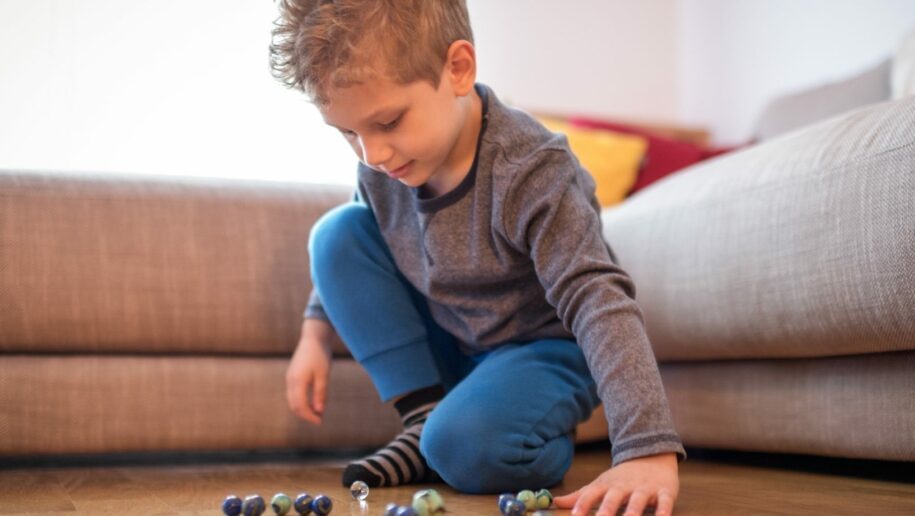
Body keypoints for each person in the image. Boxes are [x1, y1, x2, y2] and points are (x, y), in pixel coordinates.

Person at [270, 1, 685, 514]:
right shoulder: (384, 167)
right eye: (349, 133)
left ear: (458, 69)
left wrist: (647, 447)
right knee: (335, 232)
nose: (371, 154)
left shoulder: (531, 170)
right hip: (454, 342)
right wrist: (314, 333)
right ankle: (424, 418)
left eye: (388, 121)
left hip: (542, 350)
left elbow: (596, 297)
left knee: (463, 449)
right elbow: (354, 251)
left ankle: (477, 435)